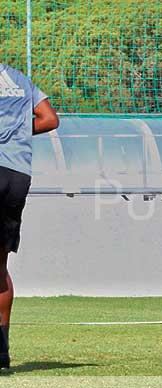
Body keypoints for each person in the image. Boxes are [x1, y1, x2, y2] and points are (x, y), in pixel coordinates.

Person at [0, 64, 59, 369]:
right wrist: (19, 130)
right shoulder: (19, 79)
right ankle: (1, 350)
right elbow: (50, 119)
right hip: (17, 175)